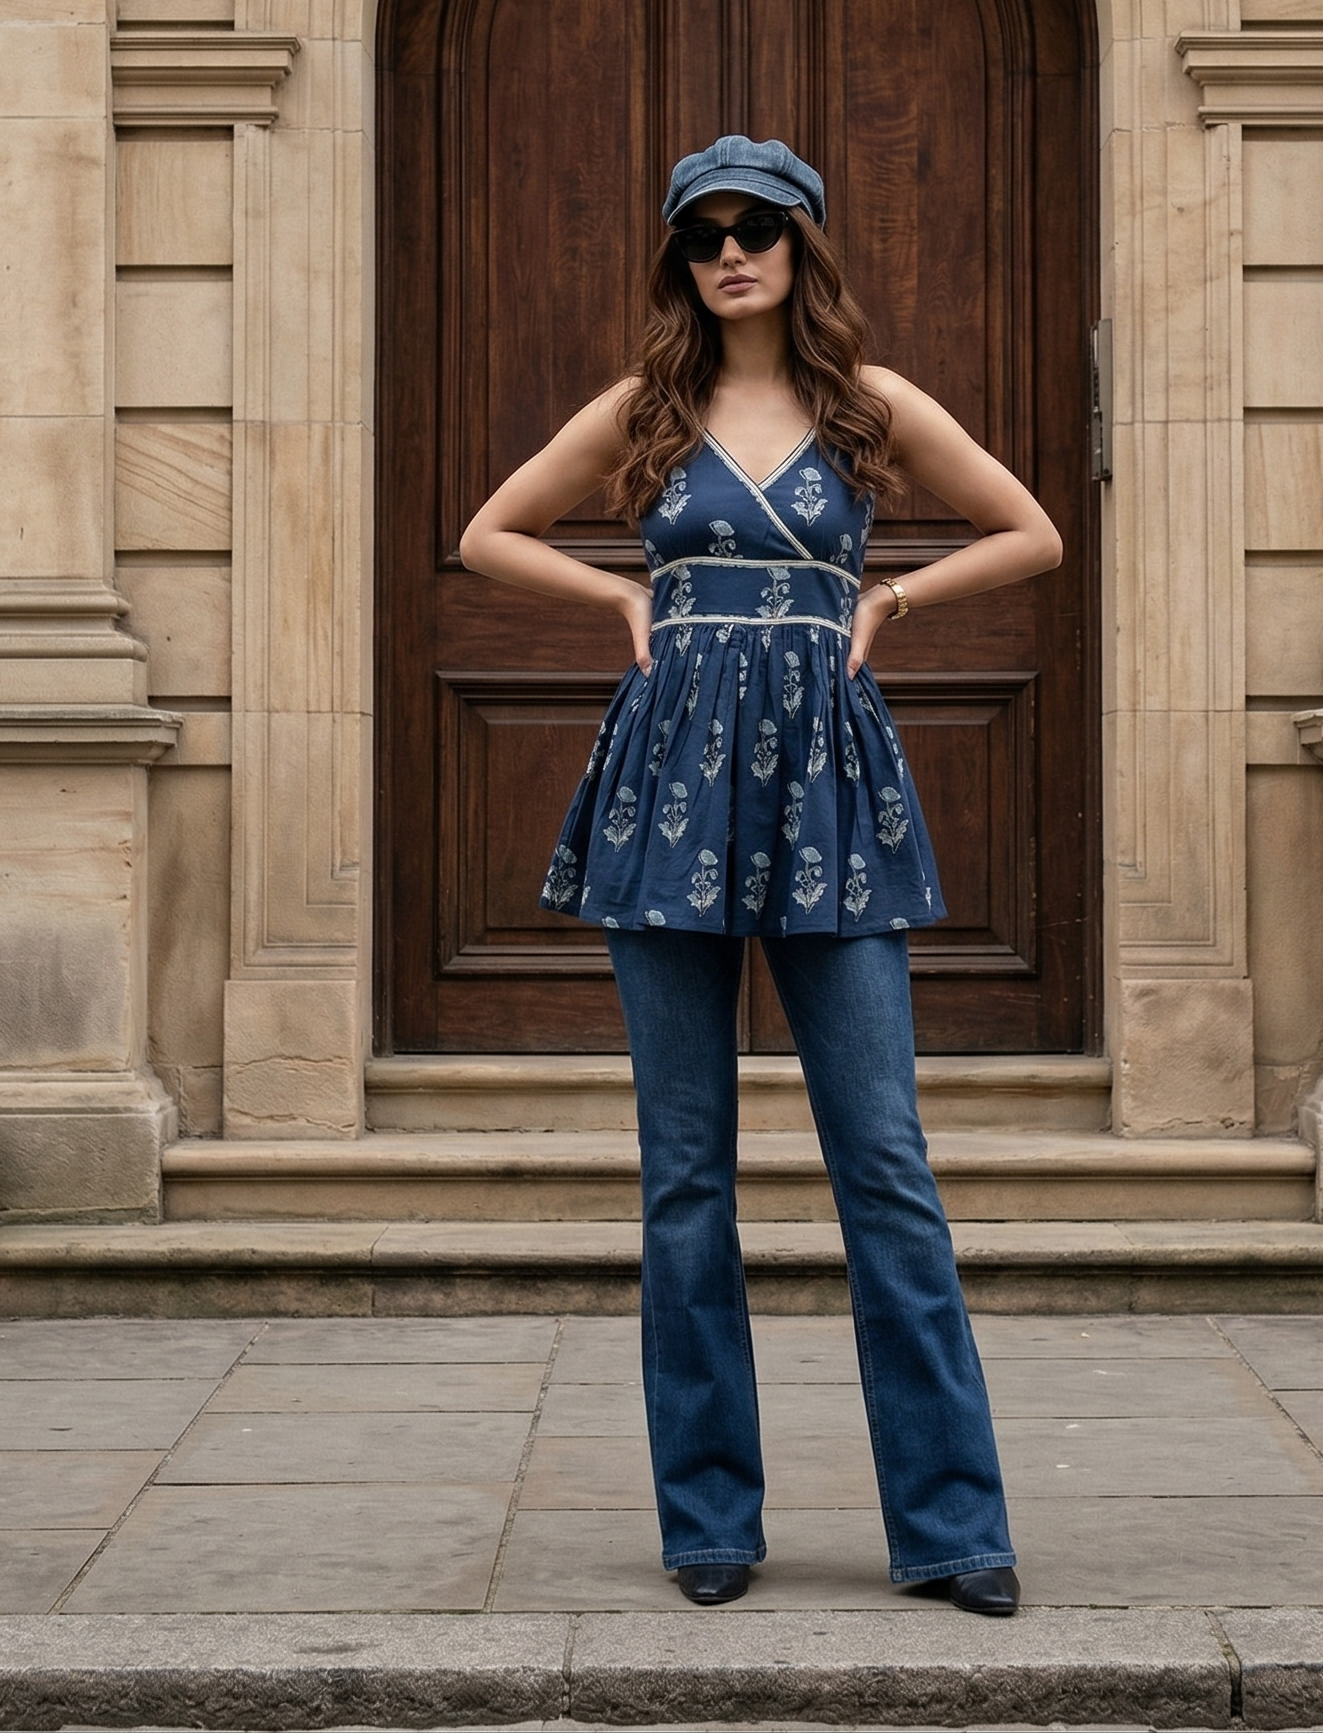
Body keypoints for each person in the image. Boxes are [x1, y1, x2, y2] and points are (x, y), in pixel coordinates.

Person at [460, 134, 1063, 1611]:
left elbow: (1032, 529)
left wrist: (894, 595)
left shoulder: (871, 407)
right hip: (666, 788)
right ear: (680, 258)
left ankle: (954, 1528)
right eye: (704, 232)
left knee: (886, 1168)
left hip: (829, 797)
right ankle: (710, 1522)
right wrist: (617, 595)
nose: (731, 250)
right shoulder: (644, 409)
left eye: (758, 227)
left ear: (802, 245)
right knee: (686, 1180)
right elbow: (485, 532)